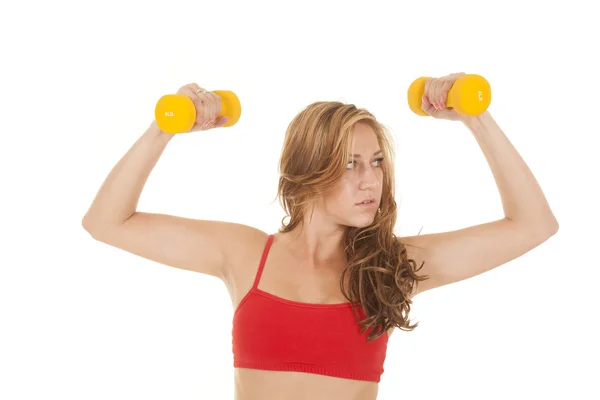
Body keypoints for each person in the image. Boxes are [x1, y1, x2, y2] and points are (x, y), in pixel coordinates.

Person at [82, 73, 559, 400]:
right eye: (350, 164)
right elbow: (106, 221)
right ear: (309, 172)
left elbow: (533, 225)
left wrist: (475, 118)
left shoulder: (392, 267)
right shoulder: (246, 253)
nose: (371, 180)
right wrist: (164, 129)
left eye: (375, 162)